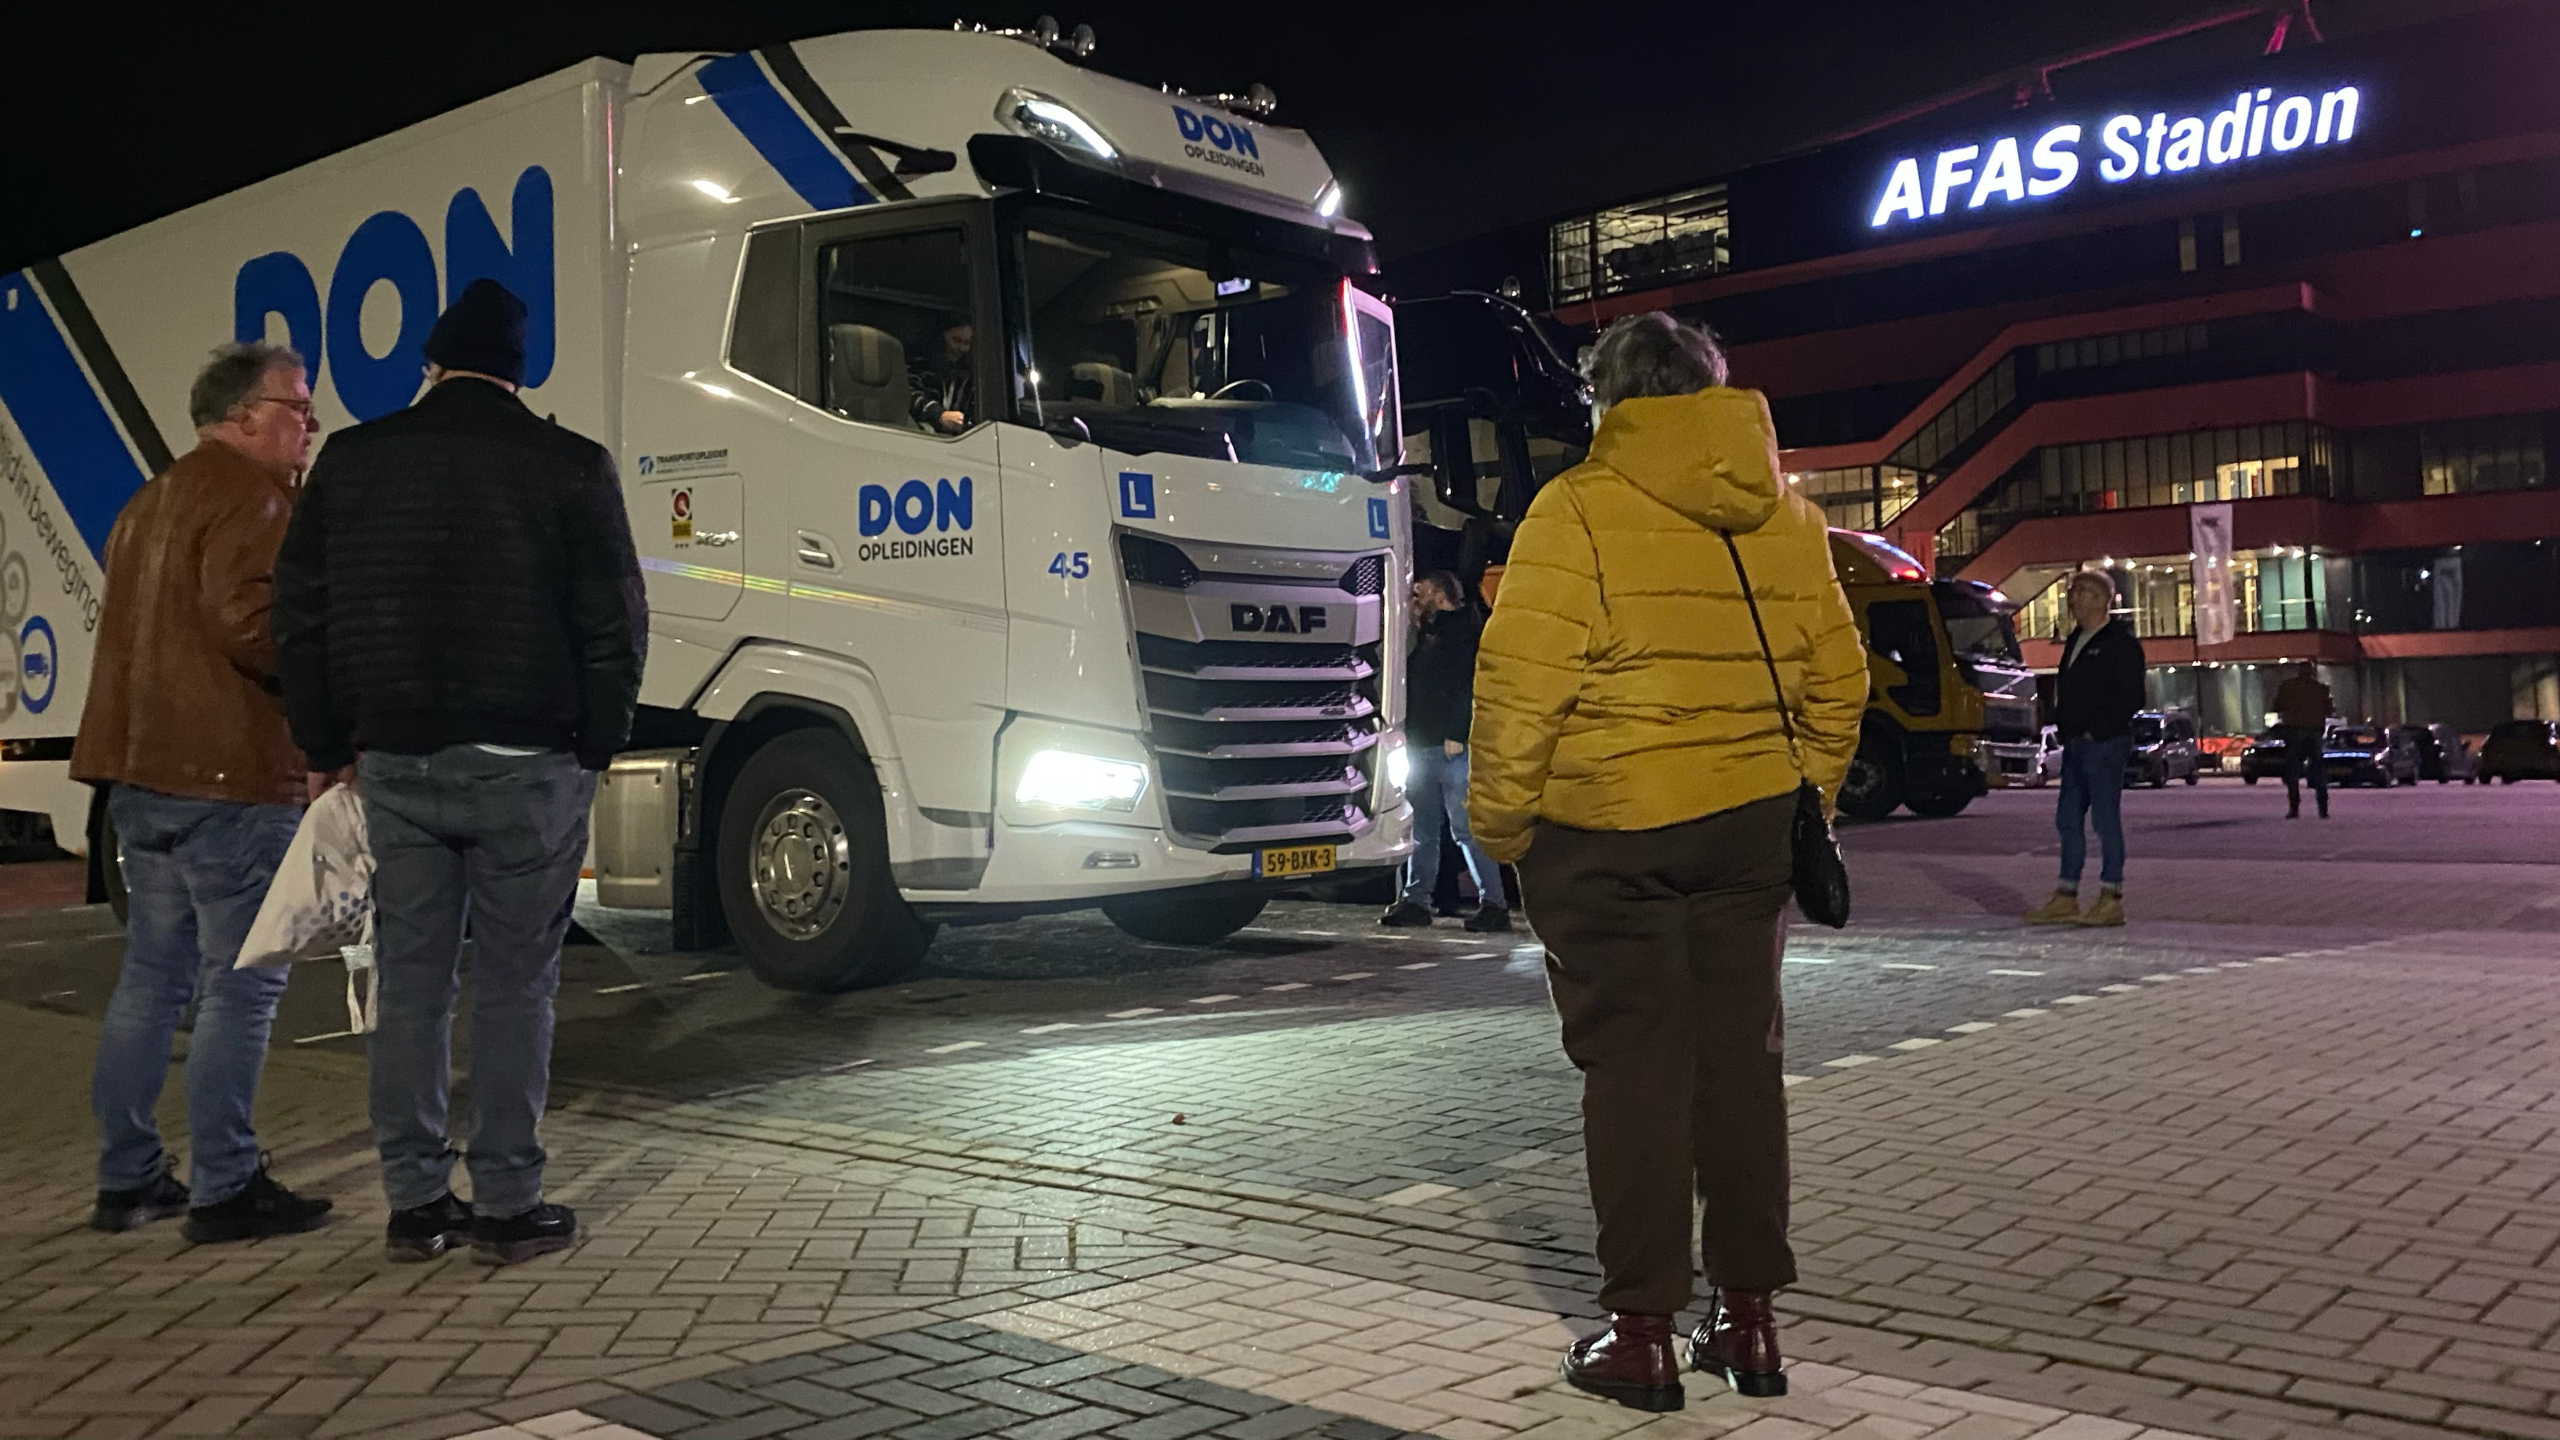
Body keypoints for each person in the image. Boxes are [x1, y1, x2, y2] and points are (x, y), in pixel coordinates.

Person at [1470, 313, 1866, 1410]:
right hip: (1746, 827)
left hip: (1607, 829)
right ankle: (1747, 1322)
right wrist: (1806, 795)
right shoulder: (1788, 515)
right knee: (1740, 1068)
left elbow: (1521, 686)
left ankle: (1638, 1332)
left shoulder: (1578, 508)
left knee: (1636, 1072)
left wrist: (1502, 827)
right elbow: (1840, 682)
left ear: (1609, 402)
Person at [274, 279, 647, 1266]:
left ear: (430, 366)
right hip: (530, 763)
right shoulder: (568, 465)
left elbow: (301, 617)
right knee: (518, 989)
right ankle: (508, 1204)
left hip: (394, 758)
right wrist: (597, 747)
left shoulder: (351, 463)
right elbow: (614, 623)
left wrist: (323, 746)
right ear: (519, 375)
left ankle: (414, 1204)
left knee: (412, 987)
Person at [70, 342, 336, 1242]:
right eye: (299, 408)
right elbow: (250, 623)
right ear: (246, 415)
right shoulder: (253, 498)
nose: (311, 425)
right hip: (228, 778)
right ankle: (226, 1183)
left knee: (151, 982)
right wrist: (328, 672)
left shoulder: (152, 500)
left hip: (141, 777)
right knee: (242, 985)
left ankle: (128, 1177)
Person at [1381, 571, 1509, 932]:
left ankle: (1493, 902)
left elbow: (1472, 684)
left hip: (1448, 745)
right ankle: (1417, 900)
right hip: (1422, 743)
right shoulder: (1425, 633)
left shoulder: (1463, 633)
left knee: (1463, 829)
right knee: (1423, 829)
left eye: (1421, 592)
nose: (1415, 598)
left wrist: (1458, 730)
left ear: (1439, 593)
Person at [2025, 571, 2147, 928]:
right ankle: (2066, 894)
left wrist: (2098, 730)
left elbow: (2131, 697)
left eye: (2079, 594)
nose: (2072, 600)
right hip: (2077, 743)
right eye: (2072, 594)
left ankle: (2111, 896)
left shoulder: (2119, 643)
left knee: (2105, 820)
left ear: (2099, 599)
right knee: (2067, 818)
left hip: (2104, 744)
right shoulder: (2076, 638)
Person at [2271, 663, 2334, 819]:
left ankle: (2294, 808)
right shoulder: (2320, 689)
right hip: (2314, 732)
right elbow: (2329, 710)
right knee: (2318, 771)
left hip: (2294, 731)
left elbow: (2277, 706)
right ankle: (2323, 809)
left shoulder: (2288, 687)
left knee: (2293, 773)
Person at [912, 315, 974, 433]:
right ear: (942, 337)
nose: (960, 348)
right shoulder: (919, 365)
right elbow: (911, 395)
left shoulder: (967, 378)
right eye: (956, 340)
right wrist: (939, 414)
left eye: (966, 343)